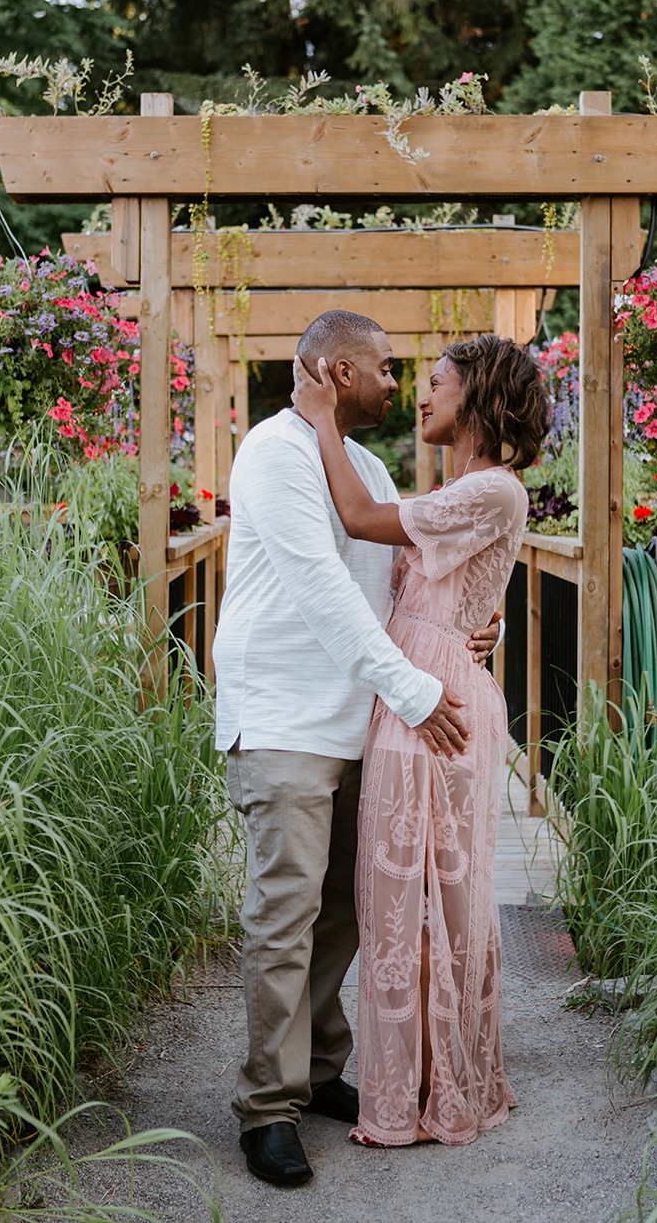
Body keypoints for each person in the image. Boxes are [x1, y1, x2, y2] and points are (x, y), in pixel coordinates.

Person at [212, 310, 503, 1188]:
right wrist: (417, 691)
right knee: (285, 916)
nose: (397, 381)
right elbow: (319, 588)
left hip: (363, 723)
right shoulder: (273, 452)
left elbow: (395, 587)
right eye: (382, 366)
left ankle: (317, 1070)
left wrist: (463, 633)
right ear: (336, 372)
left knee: (344, 909)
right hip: (287, 721)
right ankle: (266, 1108)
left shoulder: (364, 464)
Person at [292, 332, 550, 1148]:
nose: (420, 395)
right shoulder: (465, 488)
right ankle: (424, 1080)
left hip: (435, 709)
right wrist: (488, 620)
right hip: (416, 692)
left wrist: (321, 417)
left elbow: (362, 518)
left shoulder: (494, 491)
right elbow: (450, 588)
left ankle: (438, 1092)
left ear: (475, 397)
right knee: (404, 903)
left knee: (434, 903)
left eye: (435, 382)